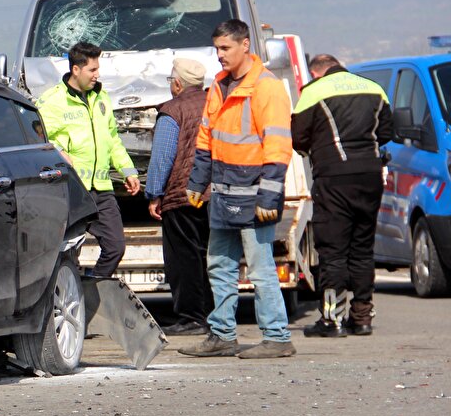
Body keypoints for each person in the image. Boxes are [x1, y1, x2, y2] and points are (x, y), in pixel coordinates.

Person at [181, 20, 295, 359]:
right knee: (219, 264)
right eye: (217, 48)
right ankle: (222, 335)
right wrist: (197, 182)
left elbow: (278, 146)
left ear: (245, 45)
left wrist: (270, 196)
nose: (219, 56)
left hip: (255, 195)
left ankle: (277, 337)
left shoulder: (267, 88)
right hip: (223, 194)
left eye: (225, 48)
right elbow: (206, 139)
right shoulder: (218, 86)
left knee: (260, 270)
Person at [292, 53, 393, 337]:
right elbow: (386, 131)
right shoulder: (373, 88)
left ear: (317, 72)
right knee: (362, 248)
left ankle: (332, 320)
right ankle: (362, 317)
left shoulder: (313, 92)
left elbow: (298, 138)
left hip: (333, 177)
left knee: (333, 250)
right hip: (371, 176)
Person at [37, 41, 140, 278]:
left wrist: (129, 171)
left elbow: (113, 138)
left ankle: (92, 286)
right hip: (72, 190)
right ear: (76, 69)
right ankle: (70, 297)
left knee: (115, 247)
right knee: (68, 253)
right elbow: (39, 137)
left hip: (101, 189)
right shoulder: (52, 101)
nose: (97, 74)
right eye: (92, 69)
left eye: (97, 68)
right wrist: (61, 152)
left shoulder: (101, 97)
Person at [146, 57, 214, 335]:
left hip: (182, 196)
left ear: (176, 84)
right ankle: (215, 316)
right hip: (217, 193)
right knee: (215, 256)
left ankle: (192, 317)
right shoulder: (215, 104)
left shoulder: (172, 110)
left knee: (183, 258)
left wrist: (154, 194)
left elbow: (162, 157)